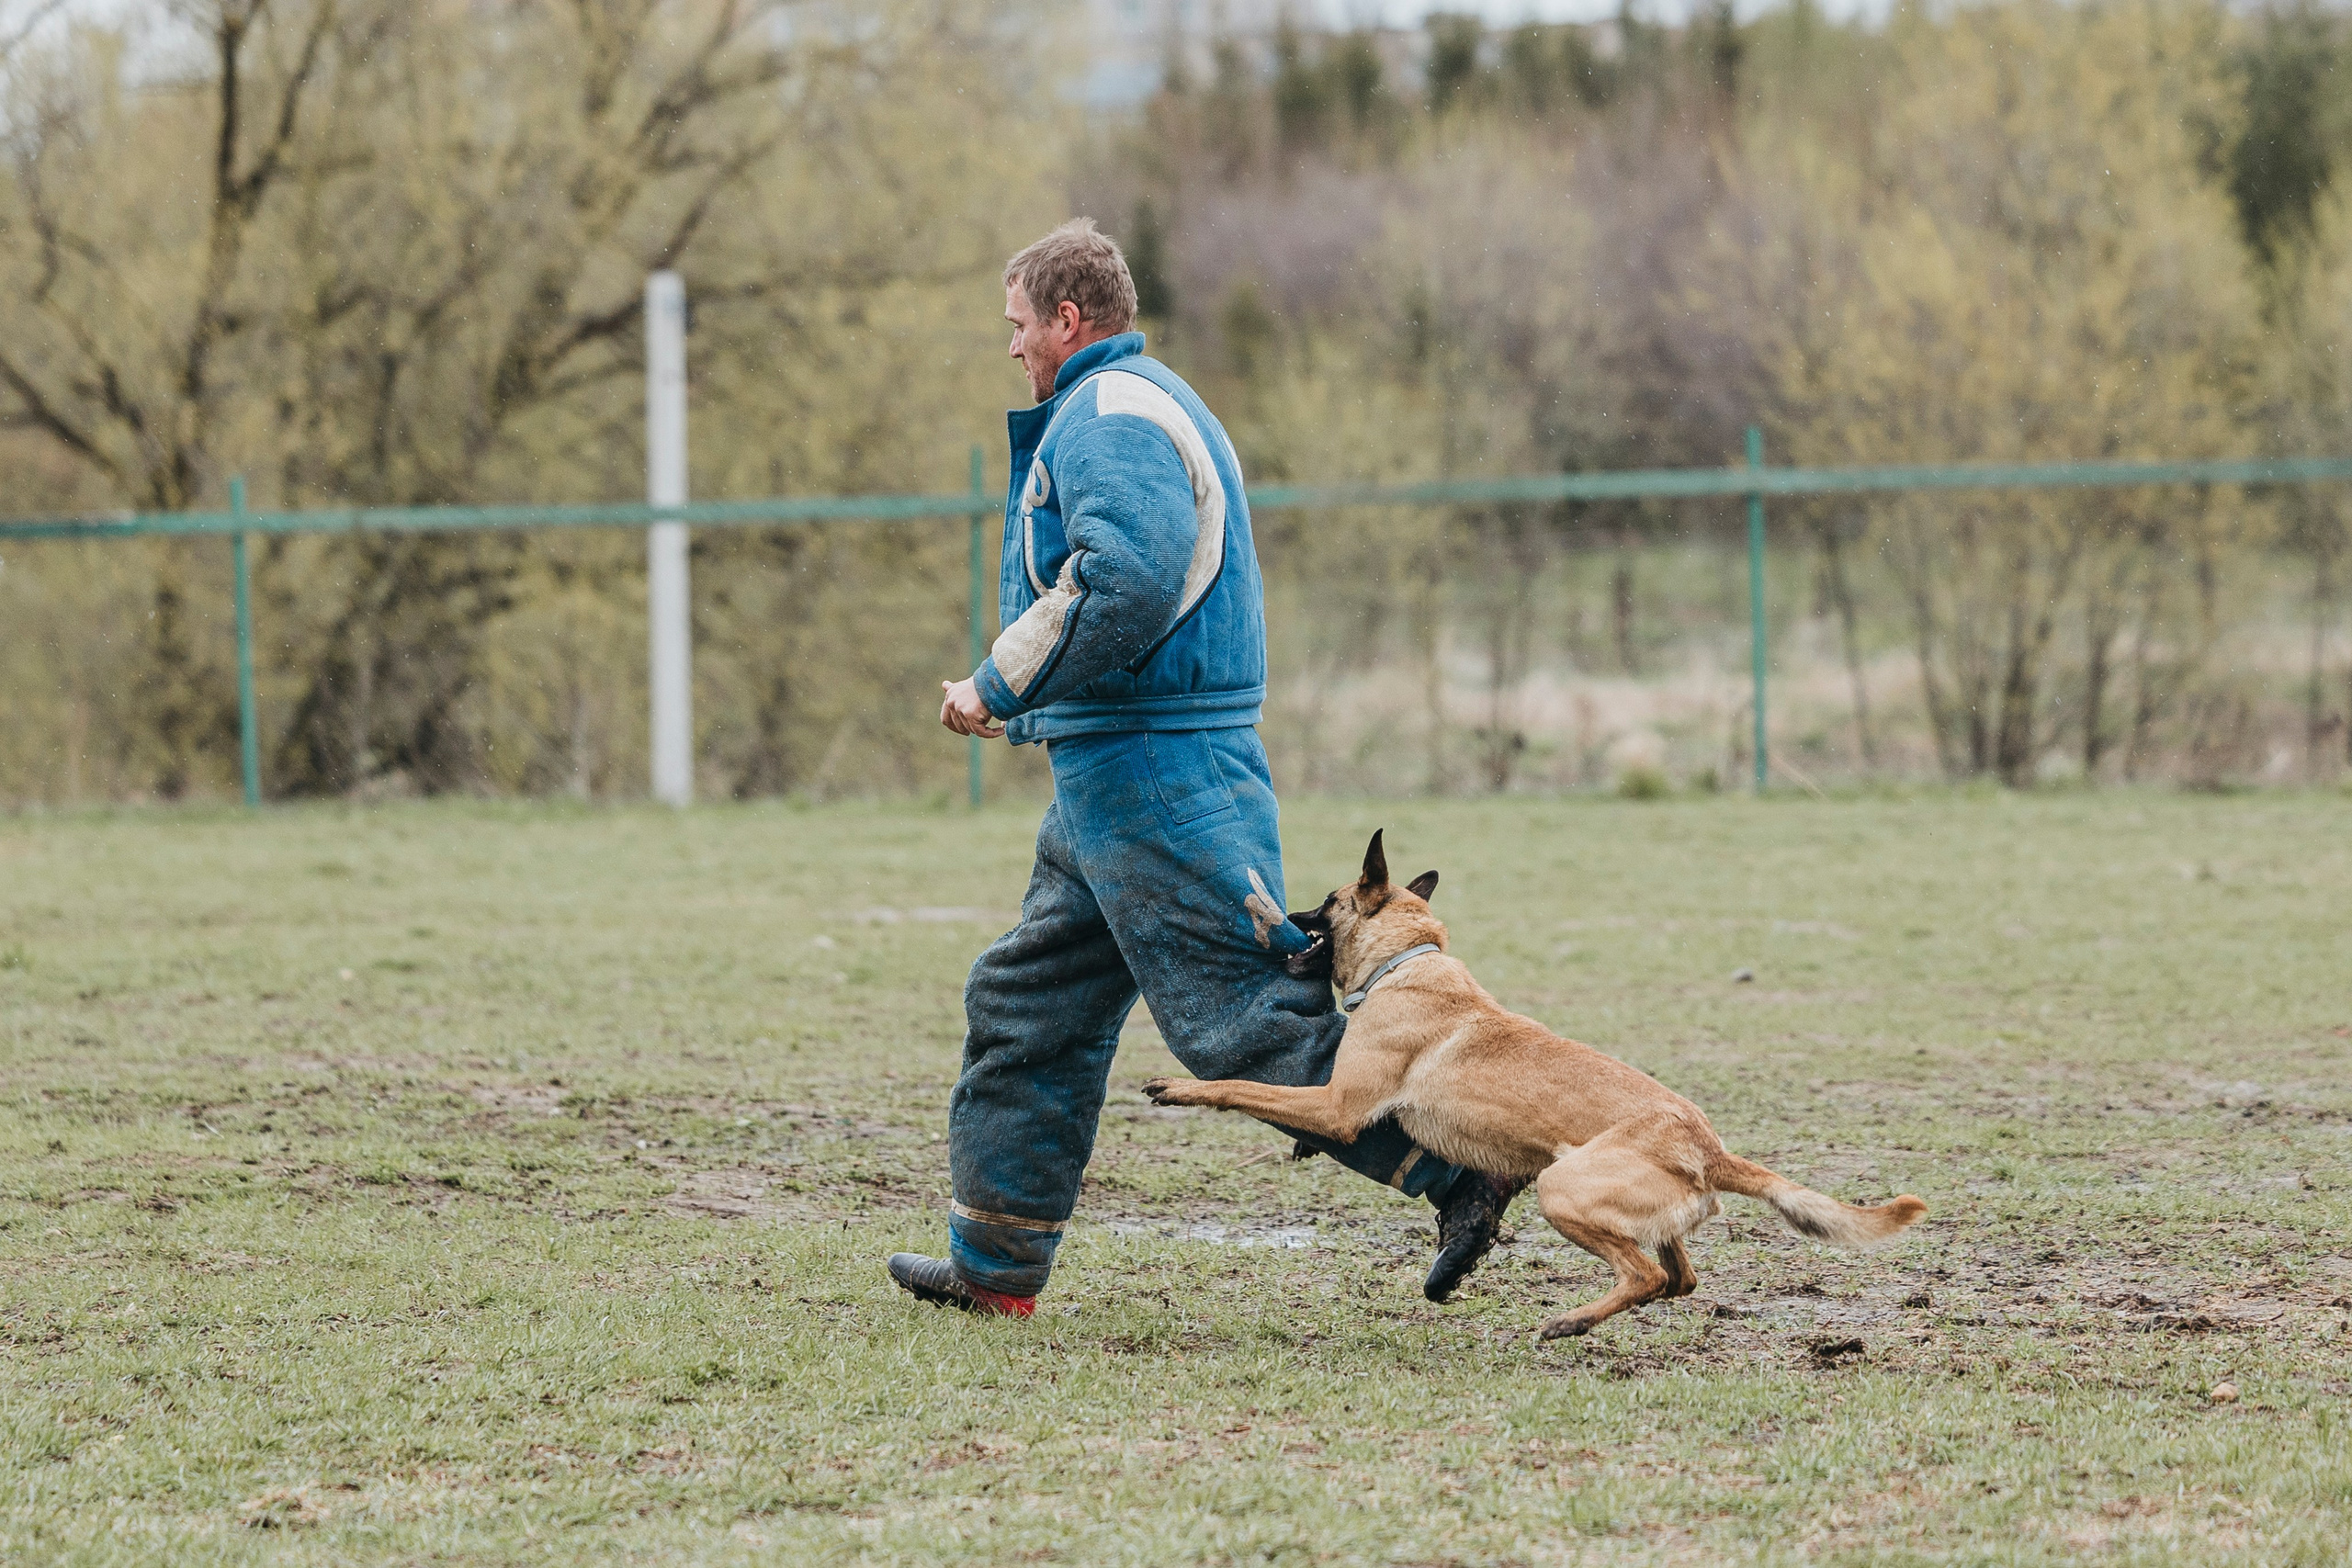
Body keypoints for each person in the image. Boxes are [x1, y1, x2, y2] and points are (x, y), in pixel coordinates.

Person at [888, 219, 1517, 1319]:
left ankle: (1468, 1169)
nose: (1013, 346)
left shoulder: (1108, 416)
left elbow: (1124, 577)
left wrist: (996, 681)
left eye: (1019, 324)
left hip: (1155, 766)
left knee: (1241, 1023)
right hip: (1116, 772)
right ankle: (995, 1268)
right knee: (1027, 999)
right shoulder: (1139, 400)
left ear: (1066, 319)